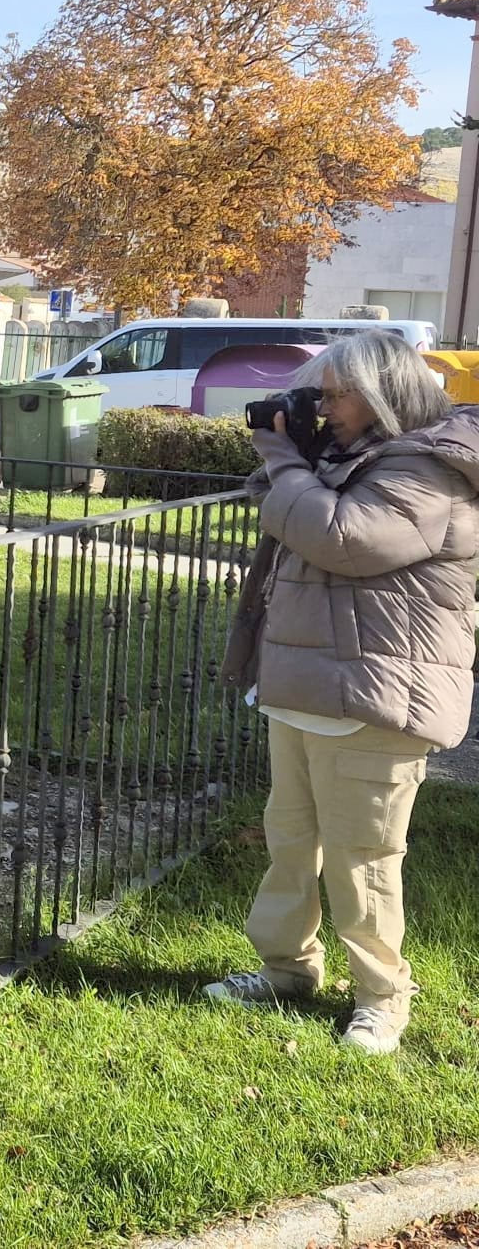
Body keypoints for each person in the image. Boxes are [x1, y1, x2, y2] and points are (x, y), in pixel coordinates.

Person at [212, 332, 479, 1055]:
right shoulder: (345, 460)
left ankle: (381, 998)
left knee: (364, 857)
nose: (320, 409)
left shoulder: (430, 472)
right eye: (318, 394)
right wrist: (291, 460)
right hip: (305, 687)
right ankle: (286, 969)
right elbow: (292, 519)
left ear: (386, 395)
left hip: (377, 694)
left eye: (334, 395)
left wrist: (280, 458)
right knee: (291, 843)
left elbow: (343, 540)